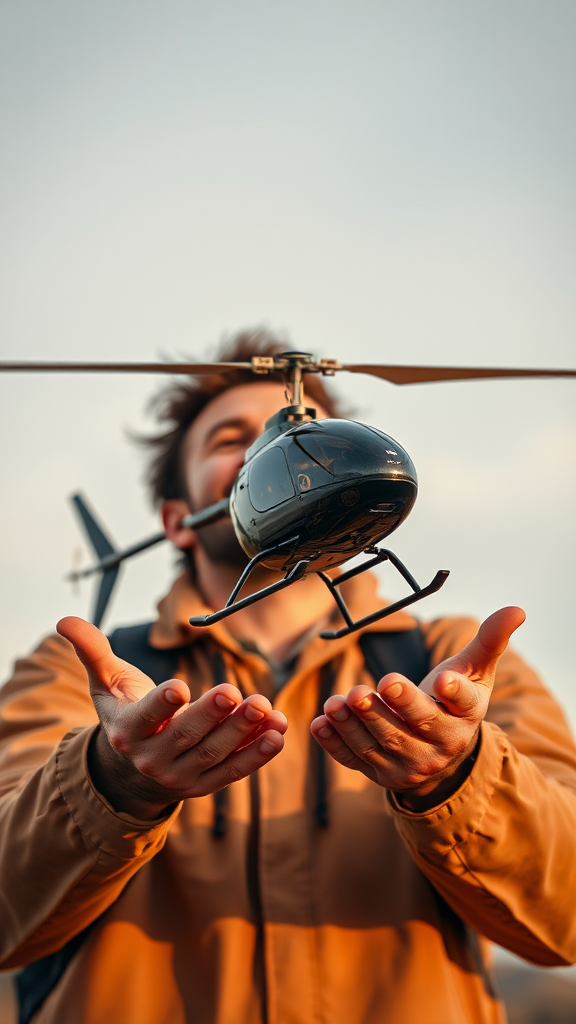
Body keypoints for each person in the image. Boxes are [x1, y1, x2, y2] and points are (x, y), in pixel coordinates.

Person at [1, 329, 576, 1024]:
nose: (276, 458)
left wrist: (459, 779)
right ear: (179, 520)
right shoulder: (89, 678)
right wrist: (111, 782)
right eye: (229, 441)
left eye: (315, 442)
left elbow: (564, 922)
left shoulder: (455, 665)